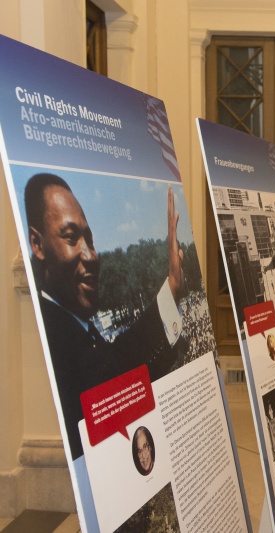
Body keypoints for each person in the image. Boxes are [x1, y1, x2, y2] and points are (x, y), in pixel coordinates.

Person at [25, 173, 186, 461]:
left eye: (90, 239)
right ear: (37, 245)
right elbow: (114, 371)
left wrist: (172, 286)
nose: (90, 255)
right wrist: (172, 287)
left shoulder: (78, 328)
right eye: (71, 237)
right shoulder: (55, 335)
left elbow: (116, 359)